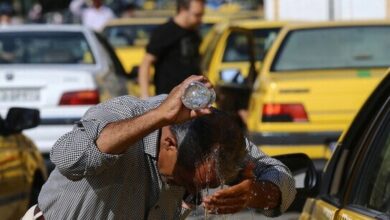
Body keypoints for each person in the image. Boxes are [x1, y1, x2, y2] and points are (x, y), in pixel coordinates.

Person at [23, 75, 296, 219]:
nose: (195, 195)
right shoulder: (123, 113)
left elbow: (282, 178)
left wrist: (256, 193)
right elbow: (68, 158)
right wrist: (158, 117)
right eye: (186, 182)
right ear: (168, 144)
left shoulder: (215, 134)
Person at [138, 0, 204, 99]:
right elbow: (146, 62)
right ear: (183, 10)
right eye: (197, 15)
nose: (200, 19)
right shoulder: (164, 32)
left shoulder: (194, 34)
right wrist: (145, 94)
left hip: (191, 97)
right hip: (167, 97)